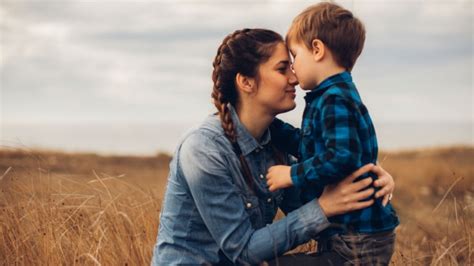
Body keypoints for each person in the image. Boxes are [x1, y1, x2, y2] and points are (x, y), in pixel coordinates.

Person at [151, 28, 395, 265]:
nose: (294, 78)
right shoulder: (204, 150)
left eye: (292, 65)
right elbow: (244, 251)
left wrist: (365, 177)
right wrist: (324, 207)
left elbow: (318, 198)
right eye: (282, 69)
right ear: (246, 82)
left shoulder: (274, 147)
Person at [265, 3, 399, 265]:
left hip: (357, 242)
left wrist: (291, 174)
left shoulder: (334, 99)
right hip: (352, 236)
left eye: (294, 57)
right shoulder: (332, 96)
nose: (293, 71)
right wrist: (270, 124)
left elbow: (341, 157)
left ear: (317, 49)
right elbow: (309, 144)